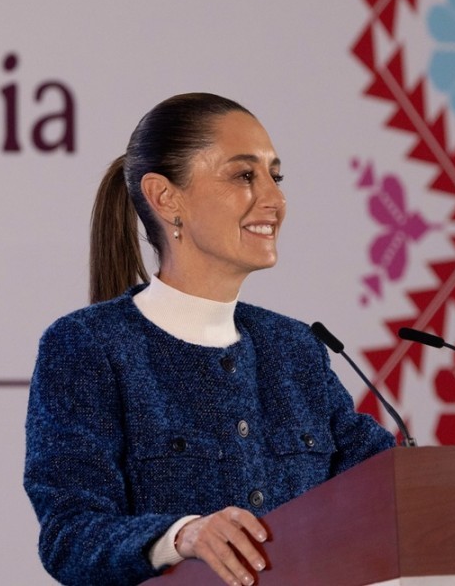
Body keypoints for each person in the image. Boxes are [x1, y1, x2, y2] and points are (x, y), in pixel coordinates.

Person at [23, 92, 395, 586]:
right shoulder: (88, 347)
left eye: (275, 176)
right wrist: (183, 536)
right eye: (245, 176)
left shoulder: (296, 349)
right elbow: (70, 535)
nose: (276, 200)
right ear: (165, 198)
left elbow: (387, 484)